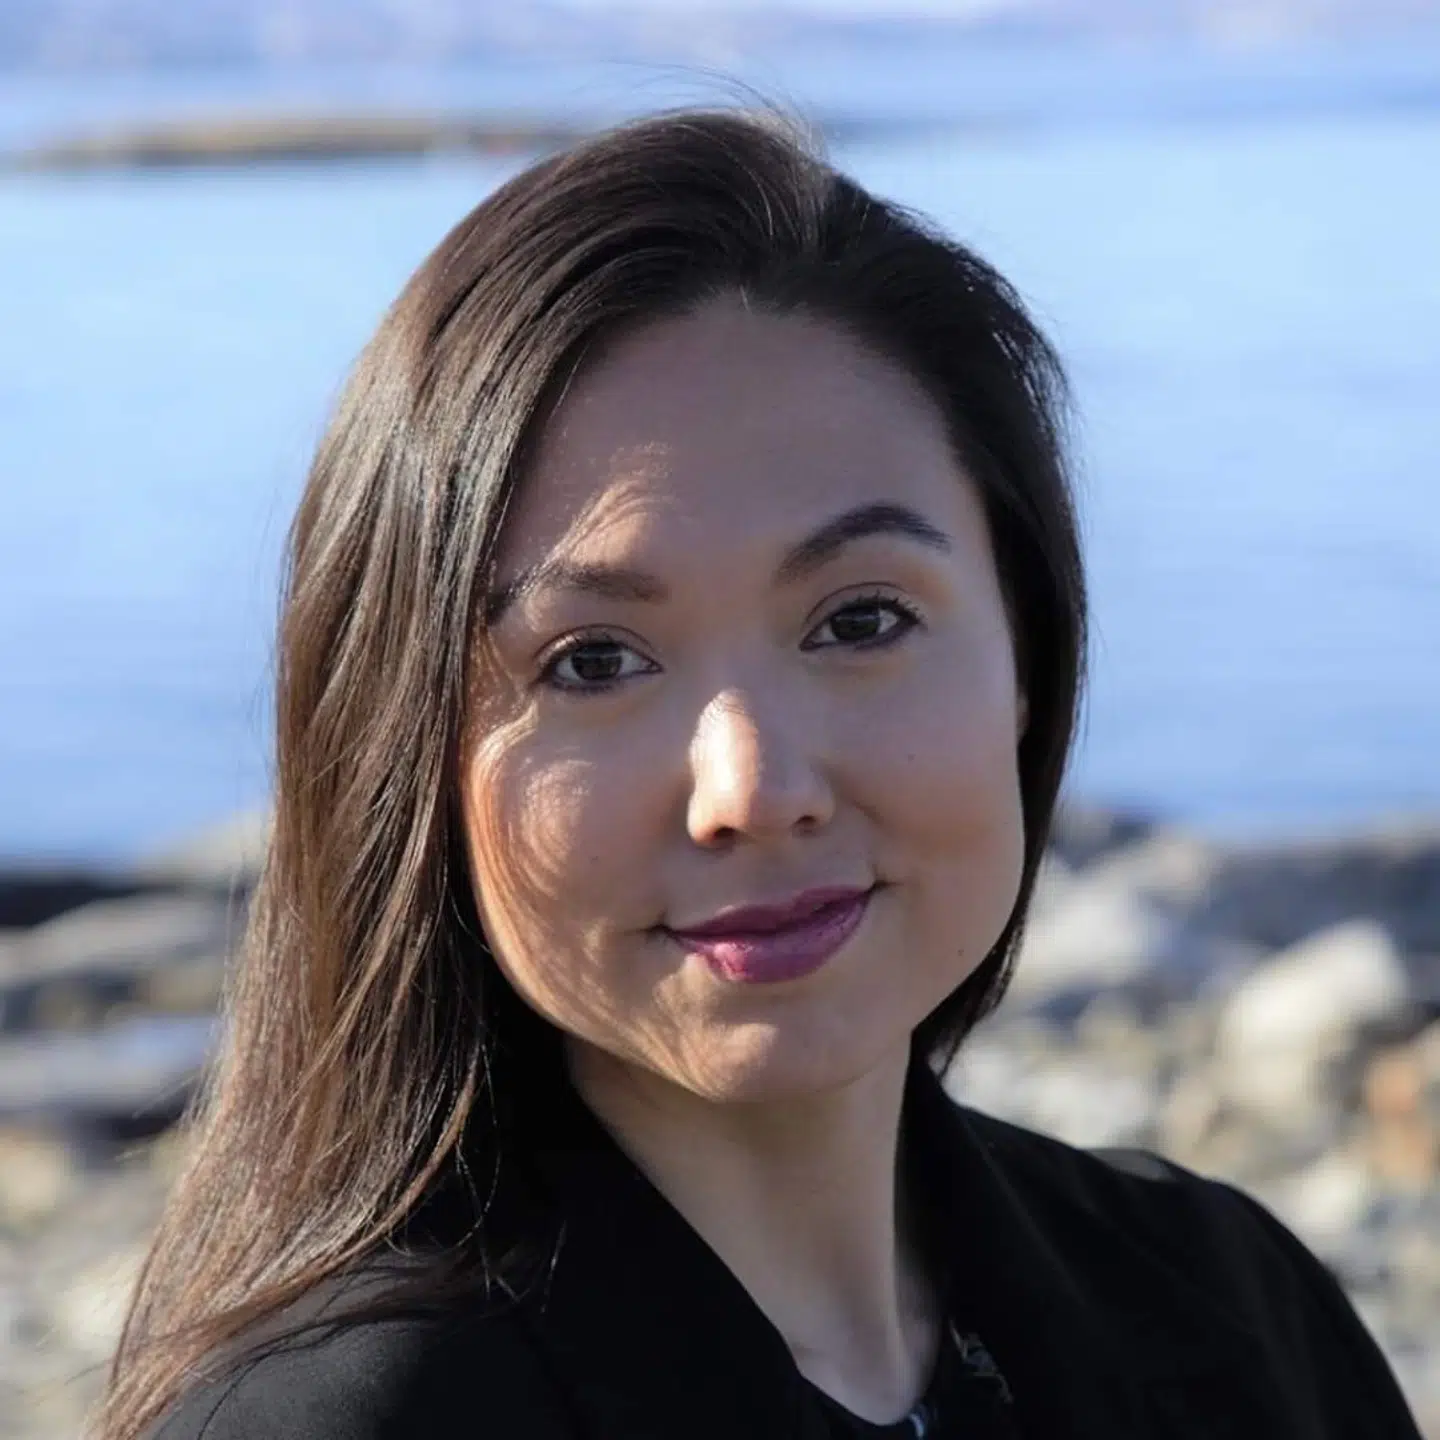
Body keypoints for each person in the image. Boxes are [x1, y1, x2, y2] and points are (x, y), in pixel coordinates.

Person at [97, 109, 1421, 1440]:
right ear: (411, 752)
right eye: (592, 661)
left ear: (1027, 651)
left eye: (861, 621)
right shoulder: (340, 1423)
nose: (754, 786)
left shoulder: (1228, 1315)